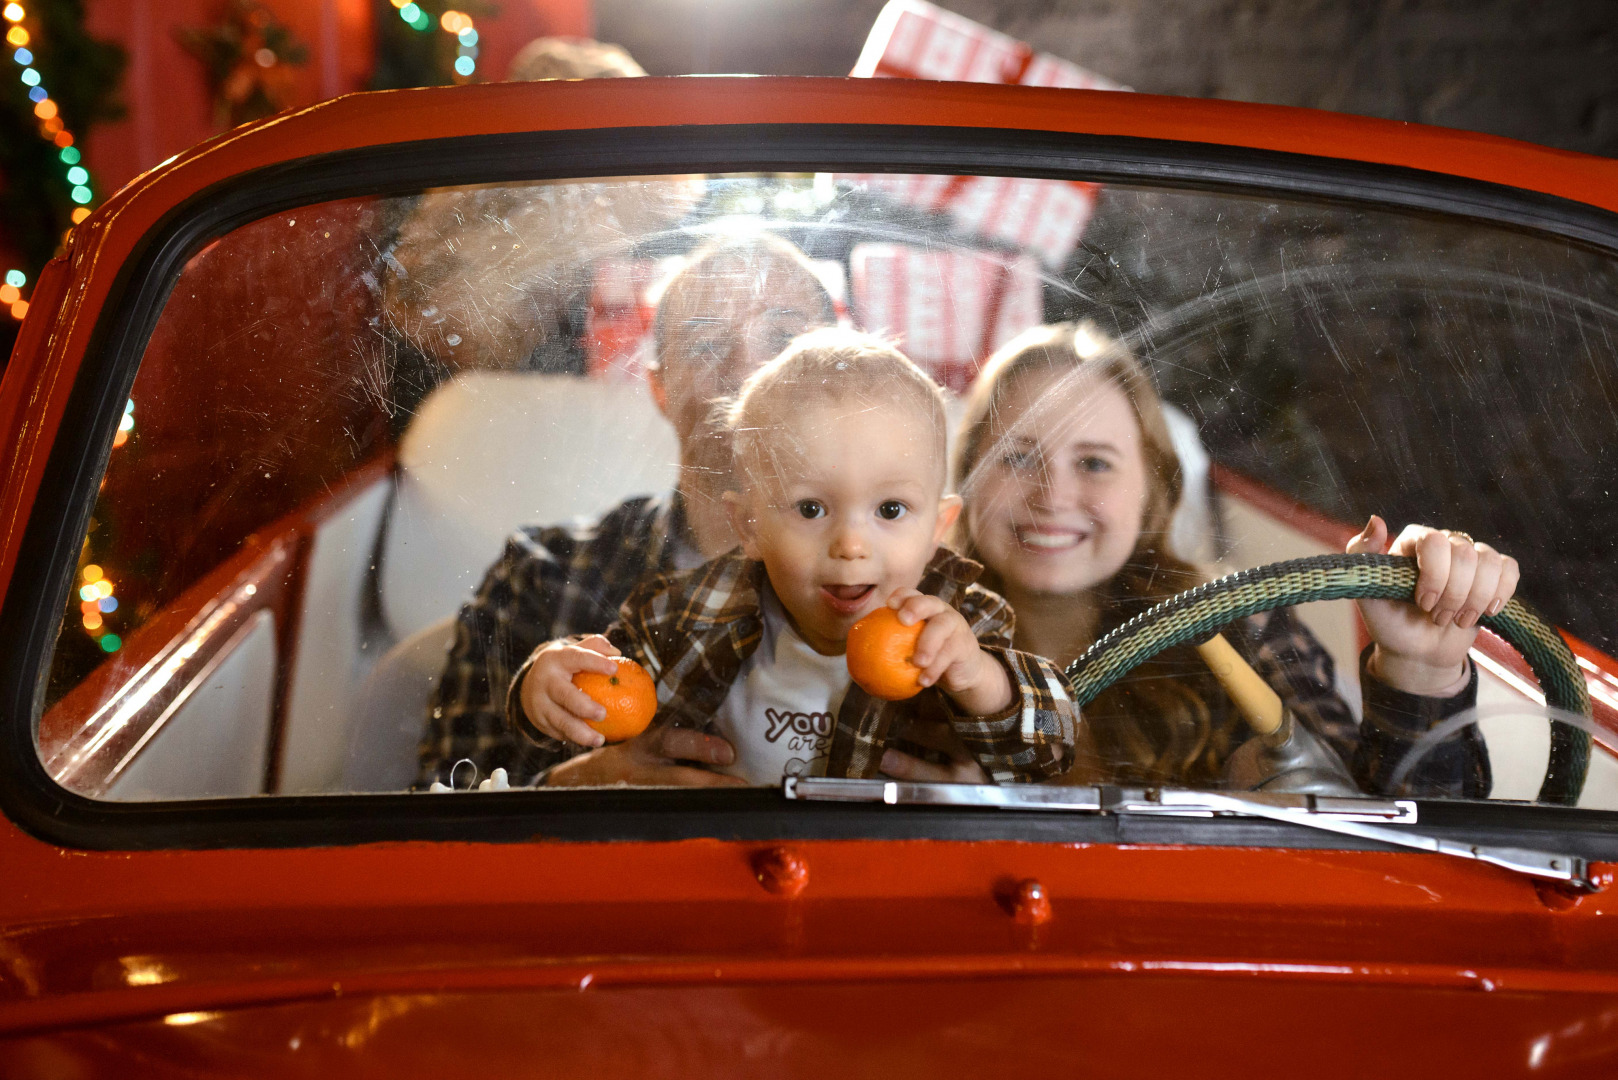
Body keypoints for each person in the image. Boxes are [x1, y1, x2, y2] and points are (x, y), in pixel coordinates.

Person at [881, 320, 1506, 798]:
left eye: (1094, 462)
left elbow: (1401, 849)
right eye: (1017, 457)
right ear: (966, 479)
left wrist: (1420, 672)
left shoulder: (1243, 630)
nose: (1054, 495)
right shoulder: (901, 639)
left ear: (1153, 491)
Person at [513, 330, 1079, 784]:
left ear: (939, 527)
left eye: (890, 510)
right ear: (749, 527)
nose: (851, 545)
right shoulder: (689, 611)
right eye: (811, 509)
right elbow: (604, 699)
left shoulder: (963, 627)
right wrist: (546, 685)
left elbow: (1053, 748)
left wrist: (979, 679)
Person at [419, 232, 836, 787]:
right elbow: (438, 809)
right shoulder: (542, 575)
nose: (746, 370)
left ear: (835, 381)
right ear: (660, 389)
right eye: (706, 344)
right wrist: (576, 786)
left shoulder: (898, 588)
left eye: (783, 338)